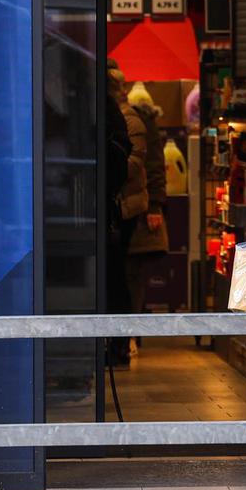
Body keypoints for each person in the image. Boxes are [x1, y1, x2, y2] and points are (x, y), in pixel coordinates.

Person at [107, 60, 147, 367]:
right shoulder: (122, 117)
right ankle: (118, 341)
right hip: (120, 203)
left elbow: (134, 162)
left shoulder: (128, 119)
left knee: (119, 274)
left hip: (124, 205)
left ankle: (120, 342)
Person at [126, 82, 170, 324]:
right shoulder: (144, 121)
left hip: (138, 209)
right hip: (139, 207)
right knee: (133, 274)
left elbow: (154, 166)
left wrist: (154, 206)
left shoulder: (139, 122)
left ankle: (128, 334)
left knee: (133, 273)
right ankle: (129, 336)